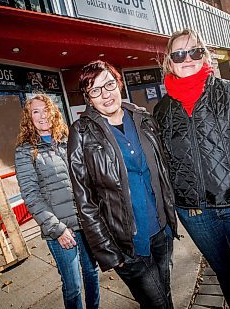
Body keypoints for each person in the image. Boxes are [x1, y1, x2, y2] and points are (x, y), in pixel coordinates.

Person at [153, 28, 230, 309]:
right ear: (169, 62)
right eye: (179, 54)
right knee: (229, 280)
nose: (188, 59)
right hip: (196, 213)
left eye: (195, 51)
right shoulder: (161, 110)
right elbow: (161, 159)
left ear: (205, 56)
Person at [67, 60, 178, 309]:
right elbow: (84, 200)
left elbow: (163, 171)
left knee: (165, 296)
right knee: (158, 304)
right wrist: (106, 250)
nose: (105, 94)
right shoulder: (81, 132)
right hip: (126, 244)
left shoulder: (144, 118)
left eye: (109, 84)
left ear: (119, 84)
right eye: (95, 90)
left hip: (161, 232)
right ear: (88, 97)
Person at [14, 94, 100, 309]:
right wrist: (57, 229)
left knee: (91, 273)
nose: (42, 115)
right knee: (72, 285)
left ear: (53, 113)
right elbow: (31, 195)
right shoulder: (25, 151)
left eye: (45, 110)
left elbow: (85, 180)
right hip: (59, 229)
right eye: (35, 111)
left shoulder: (67, 142)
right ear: (28, 118)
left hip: (84, 222)